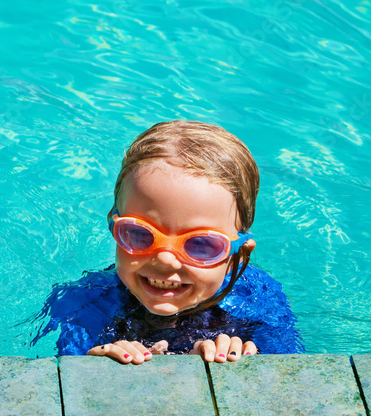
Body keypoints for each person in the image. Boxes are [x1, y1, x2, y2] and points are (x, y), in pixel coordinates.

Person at [33, 120, 303, 363]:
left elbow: (290, 377)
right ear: (114, 226)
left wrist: (241, 363)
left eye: (201, 244)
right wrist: (97, 365)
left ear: (237, 253)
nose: (164, 259)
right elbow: (66, 384)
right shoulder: (82, 302)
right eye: (140, 234)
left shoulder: (260, 301)